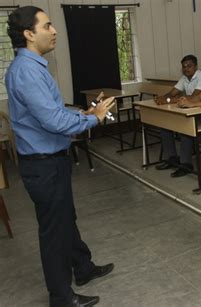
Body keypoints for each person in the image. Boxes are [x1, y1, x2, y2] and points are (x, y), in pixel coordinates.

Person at [6, 6, 115, 307]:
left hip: (50, 161)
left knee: (66, 218)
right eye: (47, 25)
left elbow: (52, 113)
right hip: (43, 165)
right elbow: (53, 123)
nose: (54, 31)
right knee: (54, 231)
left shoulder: (34, 66)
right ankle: (61, 298)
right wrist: (96, 118)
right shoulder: (27, 71)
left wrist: (82, 112)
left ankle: (82, 267)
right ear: (29, 34)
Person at [154, 55, 201, 176]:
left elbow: (194, 97)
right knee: (165, 126)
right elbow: (172, 92)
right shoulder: (184, 78)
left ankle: (186, 164)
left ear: (195, 66)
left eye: (189, 66)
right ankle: (172, 158)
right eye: (184, 67)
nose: (186, 69)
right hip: (189, 109)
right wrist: (163, 97)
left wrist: (168, 100)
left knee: (185, 129)